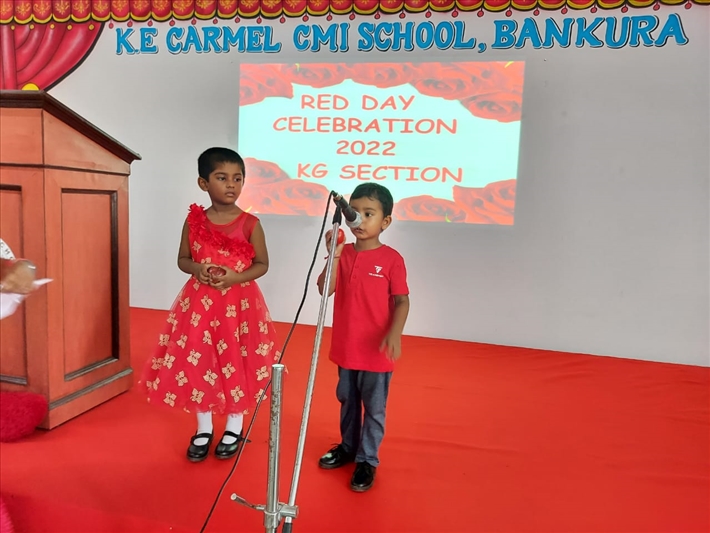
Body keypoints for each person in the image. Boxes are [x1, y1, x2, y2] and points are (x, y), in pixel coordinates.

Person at [141, 148, 280, 462]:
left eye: (237, 178)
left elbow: (262, 264)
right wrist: (196, 269)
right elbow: (183, 259)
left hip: (239, 307)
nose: (231, 184)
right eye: (222, 177)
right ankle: (203, 426)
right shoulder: (194, 222)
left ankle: (234, 424)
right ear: (203, 183)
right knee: (199, 359)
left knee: (235, 357)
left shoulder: (250, 223)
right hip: (200, 307)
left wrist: (235, 277)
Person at [316, 183, 410, 492]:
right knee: (347, 399)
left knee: (374, 406)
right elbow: (325, 289)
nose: (360, 220)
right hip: (347, 347)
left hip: (375, 352)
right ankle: (348, 446)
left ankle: (367, 459)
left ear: (385, 221)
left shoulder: (392, 259)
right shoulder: (344, 254)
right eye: (354, 212)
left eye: (369, 214)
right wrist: (333, 254)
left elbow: (402, 301)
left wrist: (394, 332)